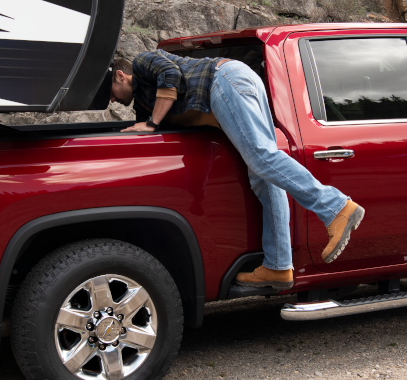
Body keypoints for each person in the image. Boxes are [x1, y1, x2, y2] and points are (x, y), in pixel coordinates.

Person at [109, 50, 364, 290]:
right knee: (264, 178)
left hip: (224, 79)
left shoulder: (143, 62)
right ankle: (278, 265)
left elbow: (171, 75)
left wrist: (153, 122)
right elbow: (182, 139)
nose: (111, 99)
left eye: (109, 91)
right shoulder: (144, 106)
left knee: (262, 157)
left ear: (120, 75)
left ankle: (335, 207)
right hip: (236, 83)